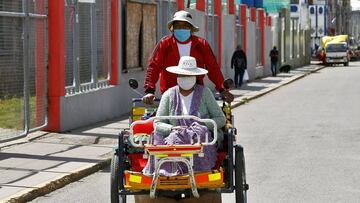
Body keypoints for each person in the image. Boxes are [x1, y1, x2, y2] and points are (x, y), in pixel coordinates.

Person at [138, 56, 225, 202]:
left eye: (189, 75)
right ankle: (166, 171)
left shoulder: (205, 93)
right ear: (177, 76)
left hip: (198, 138)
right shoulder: (169, 95)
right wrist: (173, 129)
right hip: (173, 138)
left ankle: (198, 171)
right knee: (161, 137)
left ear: (195, 76)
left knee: (201, 134)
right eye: (182, 75)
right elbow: (158, 123)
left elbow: (220, 119)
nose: (185, 78)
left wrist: (201, 126)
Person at [142, 10, 233, 105]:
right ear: (173, 28)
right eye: (178, 26)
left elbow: (213, 68)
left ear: (191, 28)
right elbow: (153, 67)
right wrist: (149, 91)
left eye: (185, 26)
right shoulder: (164, 44)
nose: (181, 28)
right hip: (170, 96)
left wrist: (222, 89)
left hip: (196, 95)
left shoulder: (201, 45)